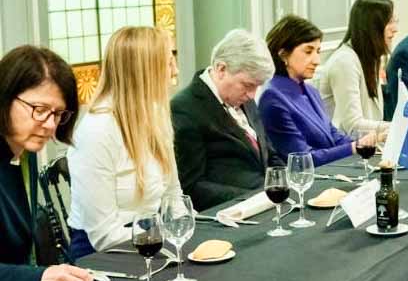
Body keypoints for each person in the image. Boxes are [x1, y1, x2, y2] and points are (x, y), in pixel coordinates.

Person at [67, 26, 182, 257]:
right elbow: (103, 236)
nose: (175, 71)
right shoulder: (97, 131)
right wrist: (166, 239)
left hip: (152, 237)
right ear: (145, 72)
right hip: (103, 253)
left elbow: (173, 194)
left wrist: (183, 232)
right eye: (168, 63)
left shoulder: (156, 113)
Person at [0, 45, 93, 281]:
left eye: (58, 114)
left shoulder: (24, 151)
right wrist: (34, 280)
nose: (50, 125)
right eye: (40, 110)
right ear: (5, 97)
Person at [171, 29, 281, 211]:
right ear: (221, 69)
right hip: (230, 212)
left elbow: (269, 153)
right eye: (248, 85)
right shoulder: (185, 108)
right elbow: (192, 186)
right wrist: (254, 197)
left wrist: (284, 182)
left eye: (257, 87)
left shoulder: (243, 97)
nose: (252, 95)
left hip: (266, 205)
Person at [260, 14, 369, 167]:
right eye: (308, 51)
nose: (317, 60)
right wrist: (353, 147)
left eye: (318, 51)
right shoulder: (272, 98)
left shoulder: (310, 91)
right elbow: (301, 159)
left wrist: (364, 143)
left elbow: (333, 135)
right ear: (283, 55)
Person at [313, 0, 396, 135]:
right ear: (372, 27)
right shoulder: (344, 62)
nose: (395, 28)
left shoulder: (369, 57)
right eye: (389, 22)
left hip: (368, 142)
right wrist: (398, 128)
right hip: (345, 145)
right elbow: (353, 125)